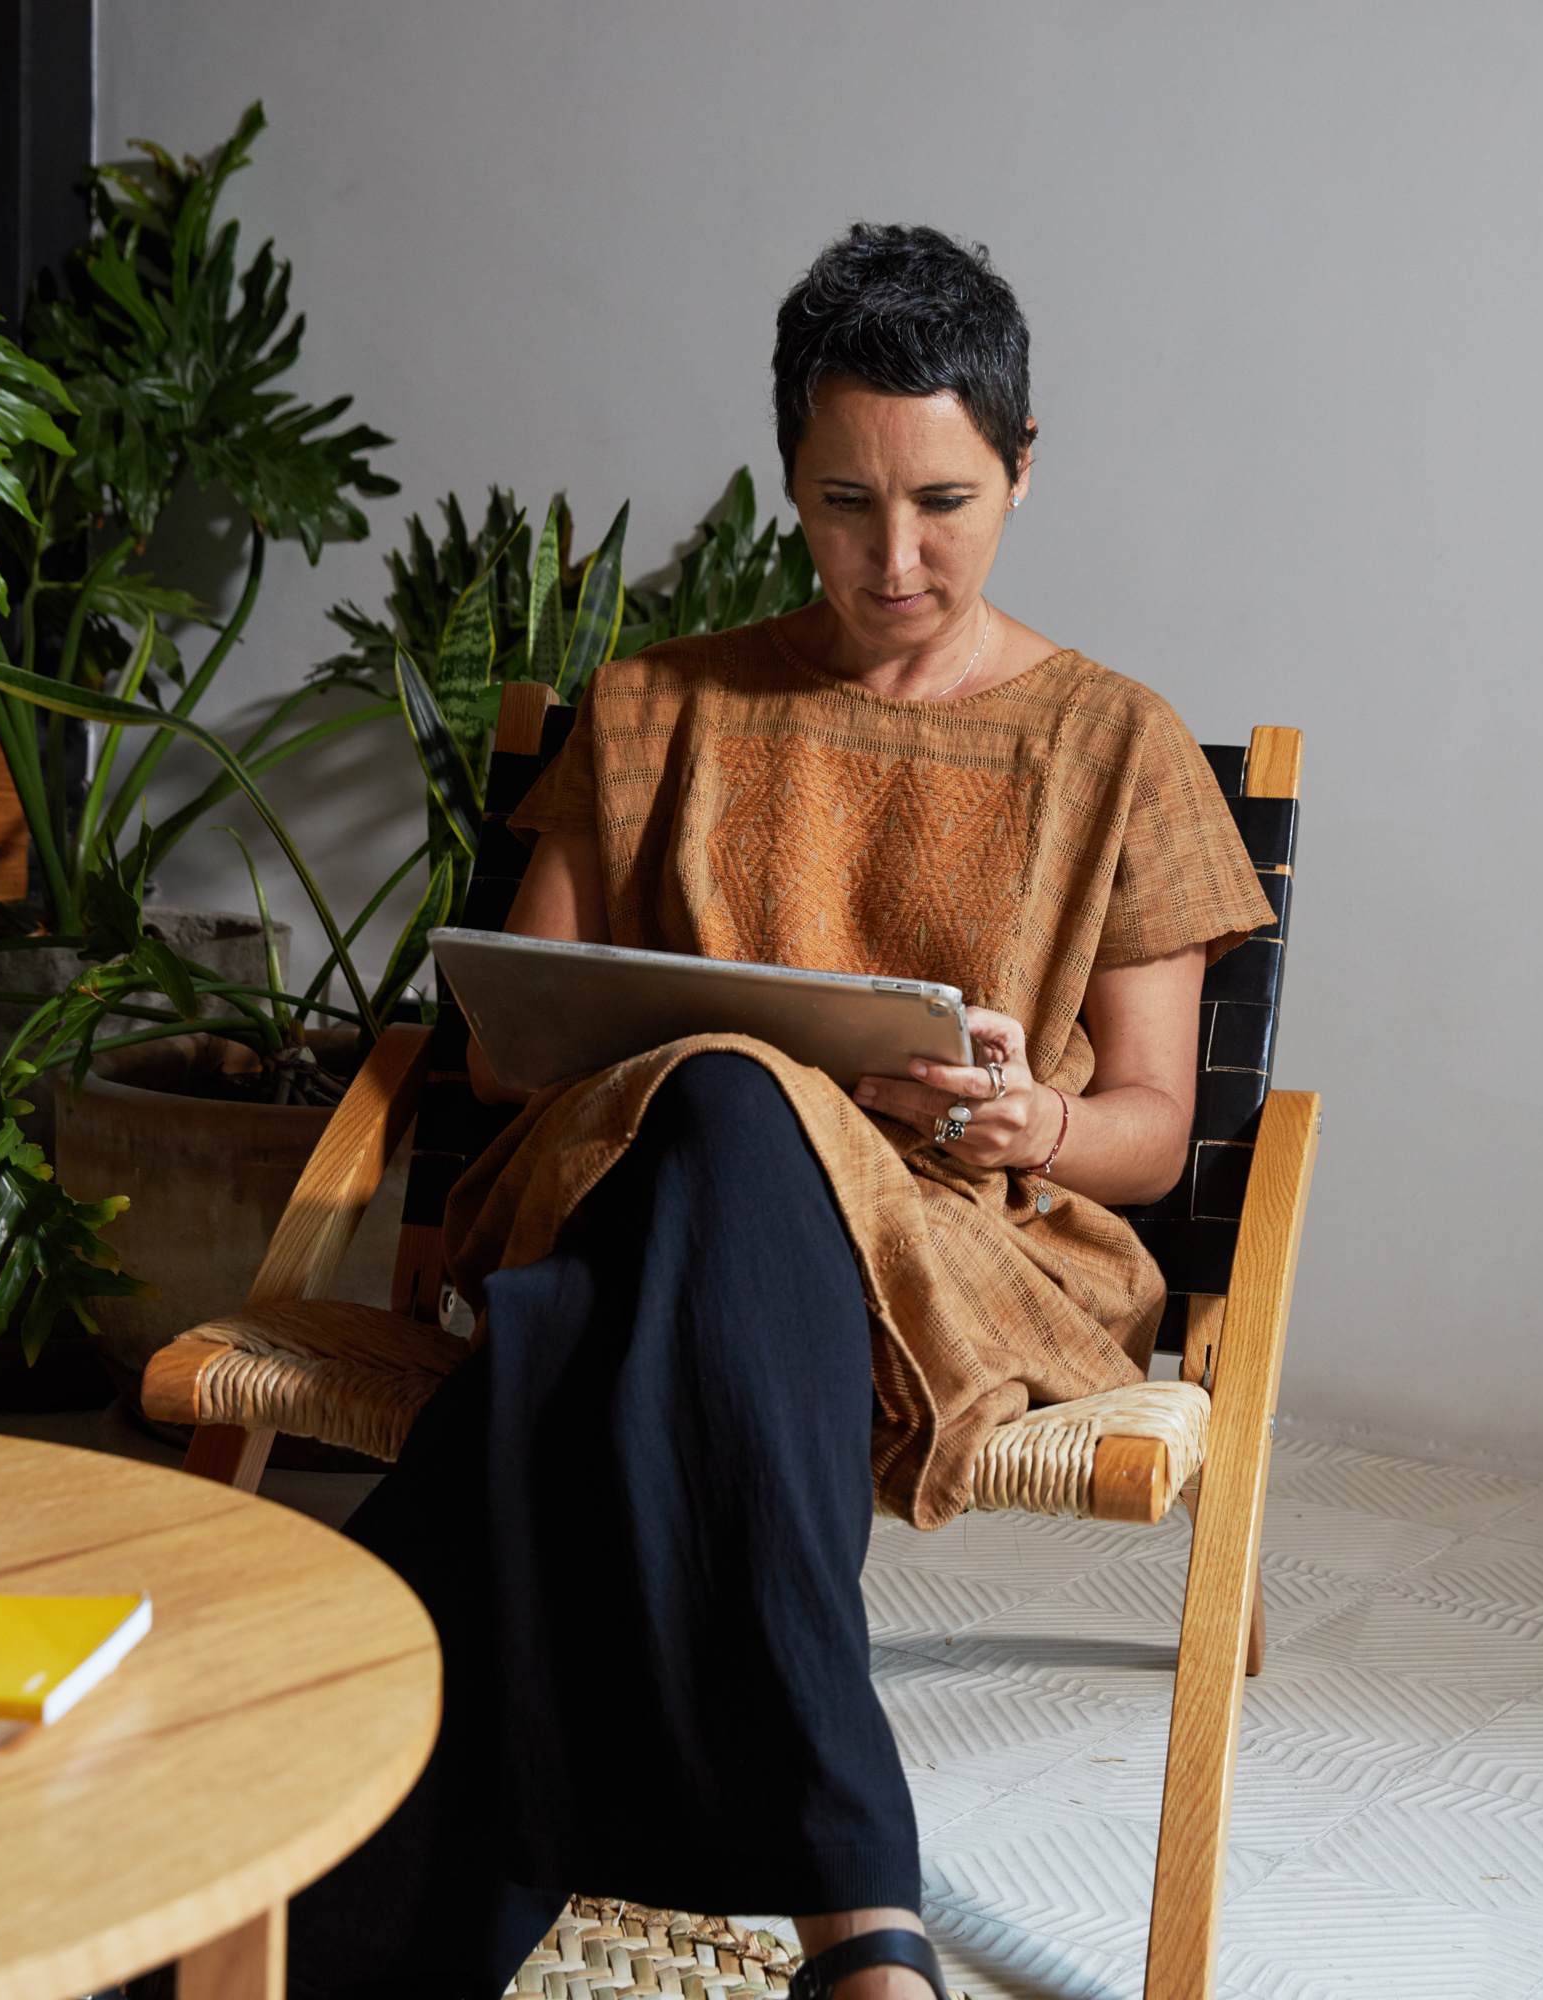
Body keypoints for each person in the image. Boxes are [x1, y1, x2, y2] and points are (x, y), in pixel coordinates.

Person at [289, 223, 1274, 2000]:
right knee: (728, 1114)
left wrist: (1024, 1127)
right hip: (642, 1193)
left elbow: (1150, 1127)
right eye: (843, 503)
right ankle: (862, 1932)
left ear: (1026, 470)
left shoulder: (1118, 743)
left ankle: (348, 1908)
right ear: (787, 479)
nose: (893, 557)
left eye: (946, 502)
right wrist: (700, 1064)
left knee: (620, 1283)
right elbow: (519, 1039)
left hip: (949, 1247)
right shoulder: (663, 706)